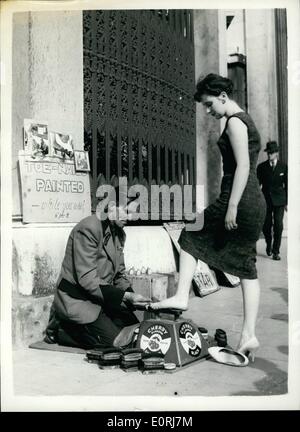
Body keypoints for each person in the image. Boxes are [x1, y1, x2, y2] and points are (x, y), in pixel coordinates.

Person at [150, 73, 266, 362]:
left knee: (190, 233)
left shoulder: (237, 122)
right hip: (253, 200)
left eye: (209, 103)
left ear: (223, 97)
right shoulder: (242, 119)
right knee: (247, 267)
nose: (208, 110)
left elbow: (242, 168)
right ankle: (248, 334)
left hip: (240, 198)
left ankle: (181, 296)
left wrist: (232, 206)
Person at [44, 187, 149, 349]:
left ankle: (88, 327)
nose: (131, 217)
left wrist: (135, 297)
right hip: (78, 300)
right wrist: (126, 297)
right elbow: (87, 280)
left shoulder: (119, 233)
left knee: (138, 334)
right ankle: (60, 329)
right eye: (127, 211)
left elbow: (119, 275)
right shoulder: (89, 227)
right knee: (116, 343)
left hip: (101, 299)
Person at [257, 141, 288, 261]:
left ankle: (276, 251)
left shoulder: (283, 166)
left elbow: (288, 185)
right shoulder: (261, 167)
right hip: (266, 200)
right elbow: (257, 185)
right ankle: (268, 244)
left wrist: (287, 202)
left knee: (279, 225)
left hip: (280, 201)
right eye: (268, 153)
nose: (269, 155)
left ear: (276, 153)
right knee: (266, 225)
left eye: (272, 153)